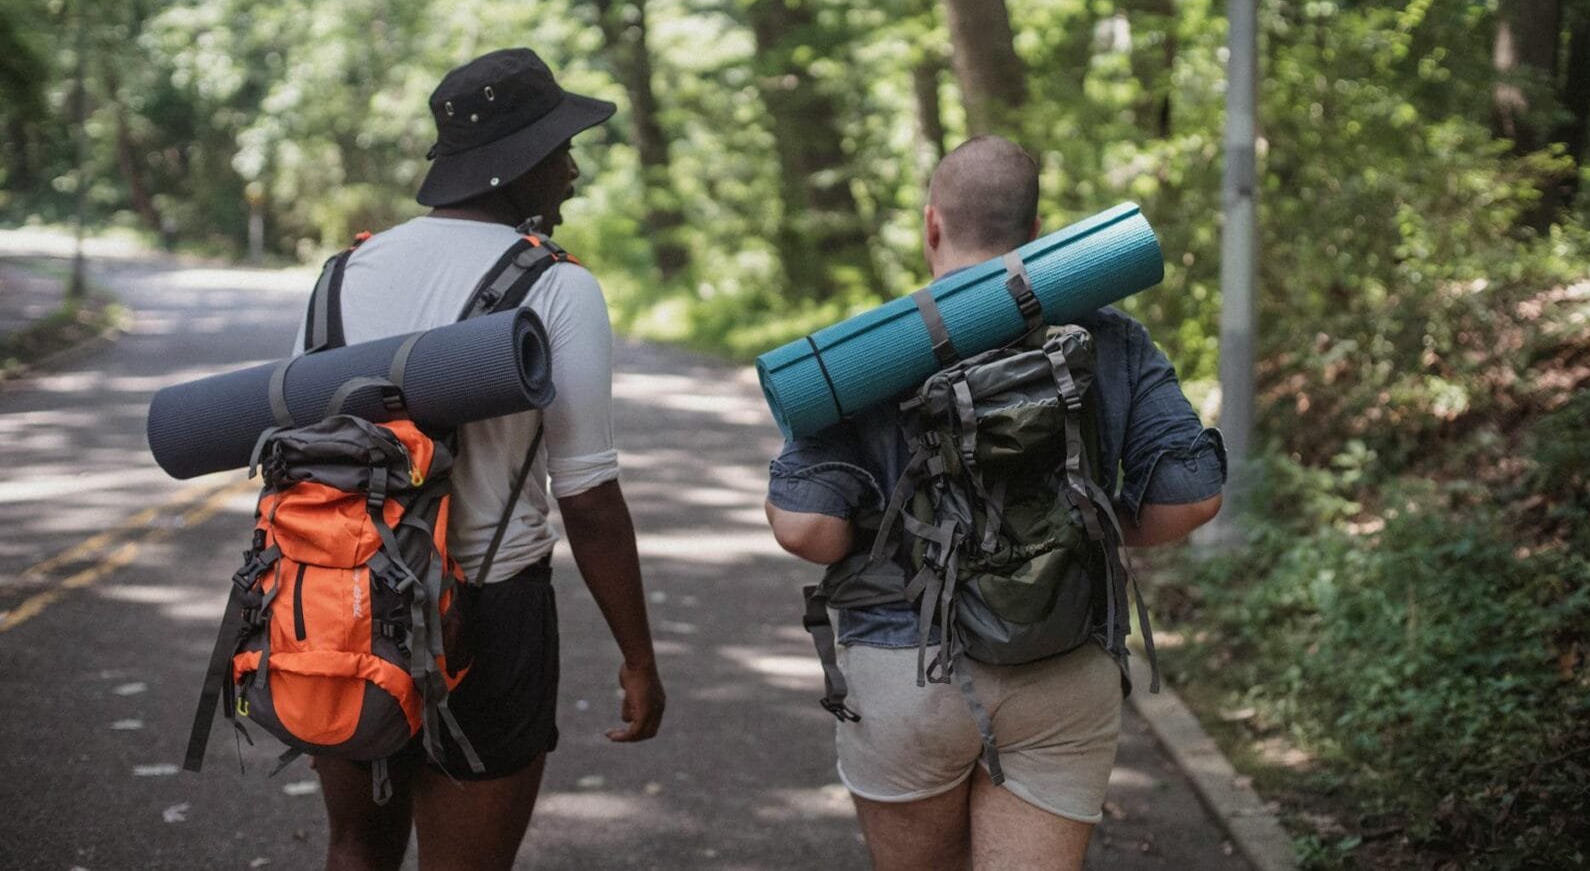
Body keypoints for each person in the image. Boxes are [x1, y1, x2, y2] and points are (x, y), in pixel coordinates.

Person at [764, 135, 1225, 871]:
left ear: (931, 226)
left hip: (907, 667)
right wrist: (1093, 528)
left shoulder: (865, 360)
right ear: (1038, 237)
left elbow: (807, 530)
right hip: (1065, 660)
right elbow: (1193, 498)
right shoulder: (1112, 337)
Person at [307, 48, 666, 870]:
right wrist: (639, 658)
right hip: (489, 614)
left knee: (355, 849)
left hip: (344, 599)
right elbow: (588, 498)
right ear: (522, 166)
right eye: (563, 151)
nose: (573, 172)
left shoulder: (342, 274)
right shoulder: (556, 287)